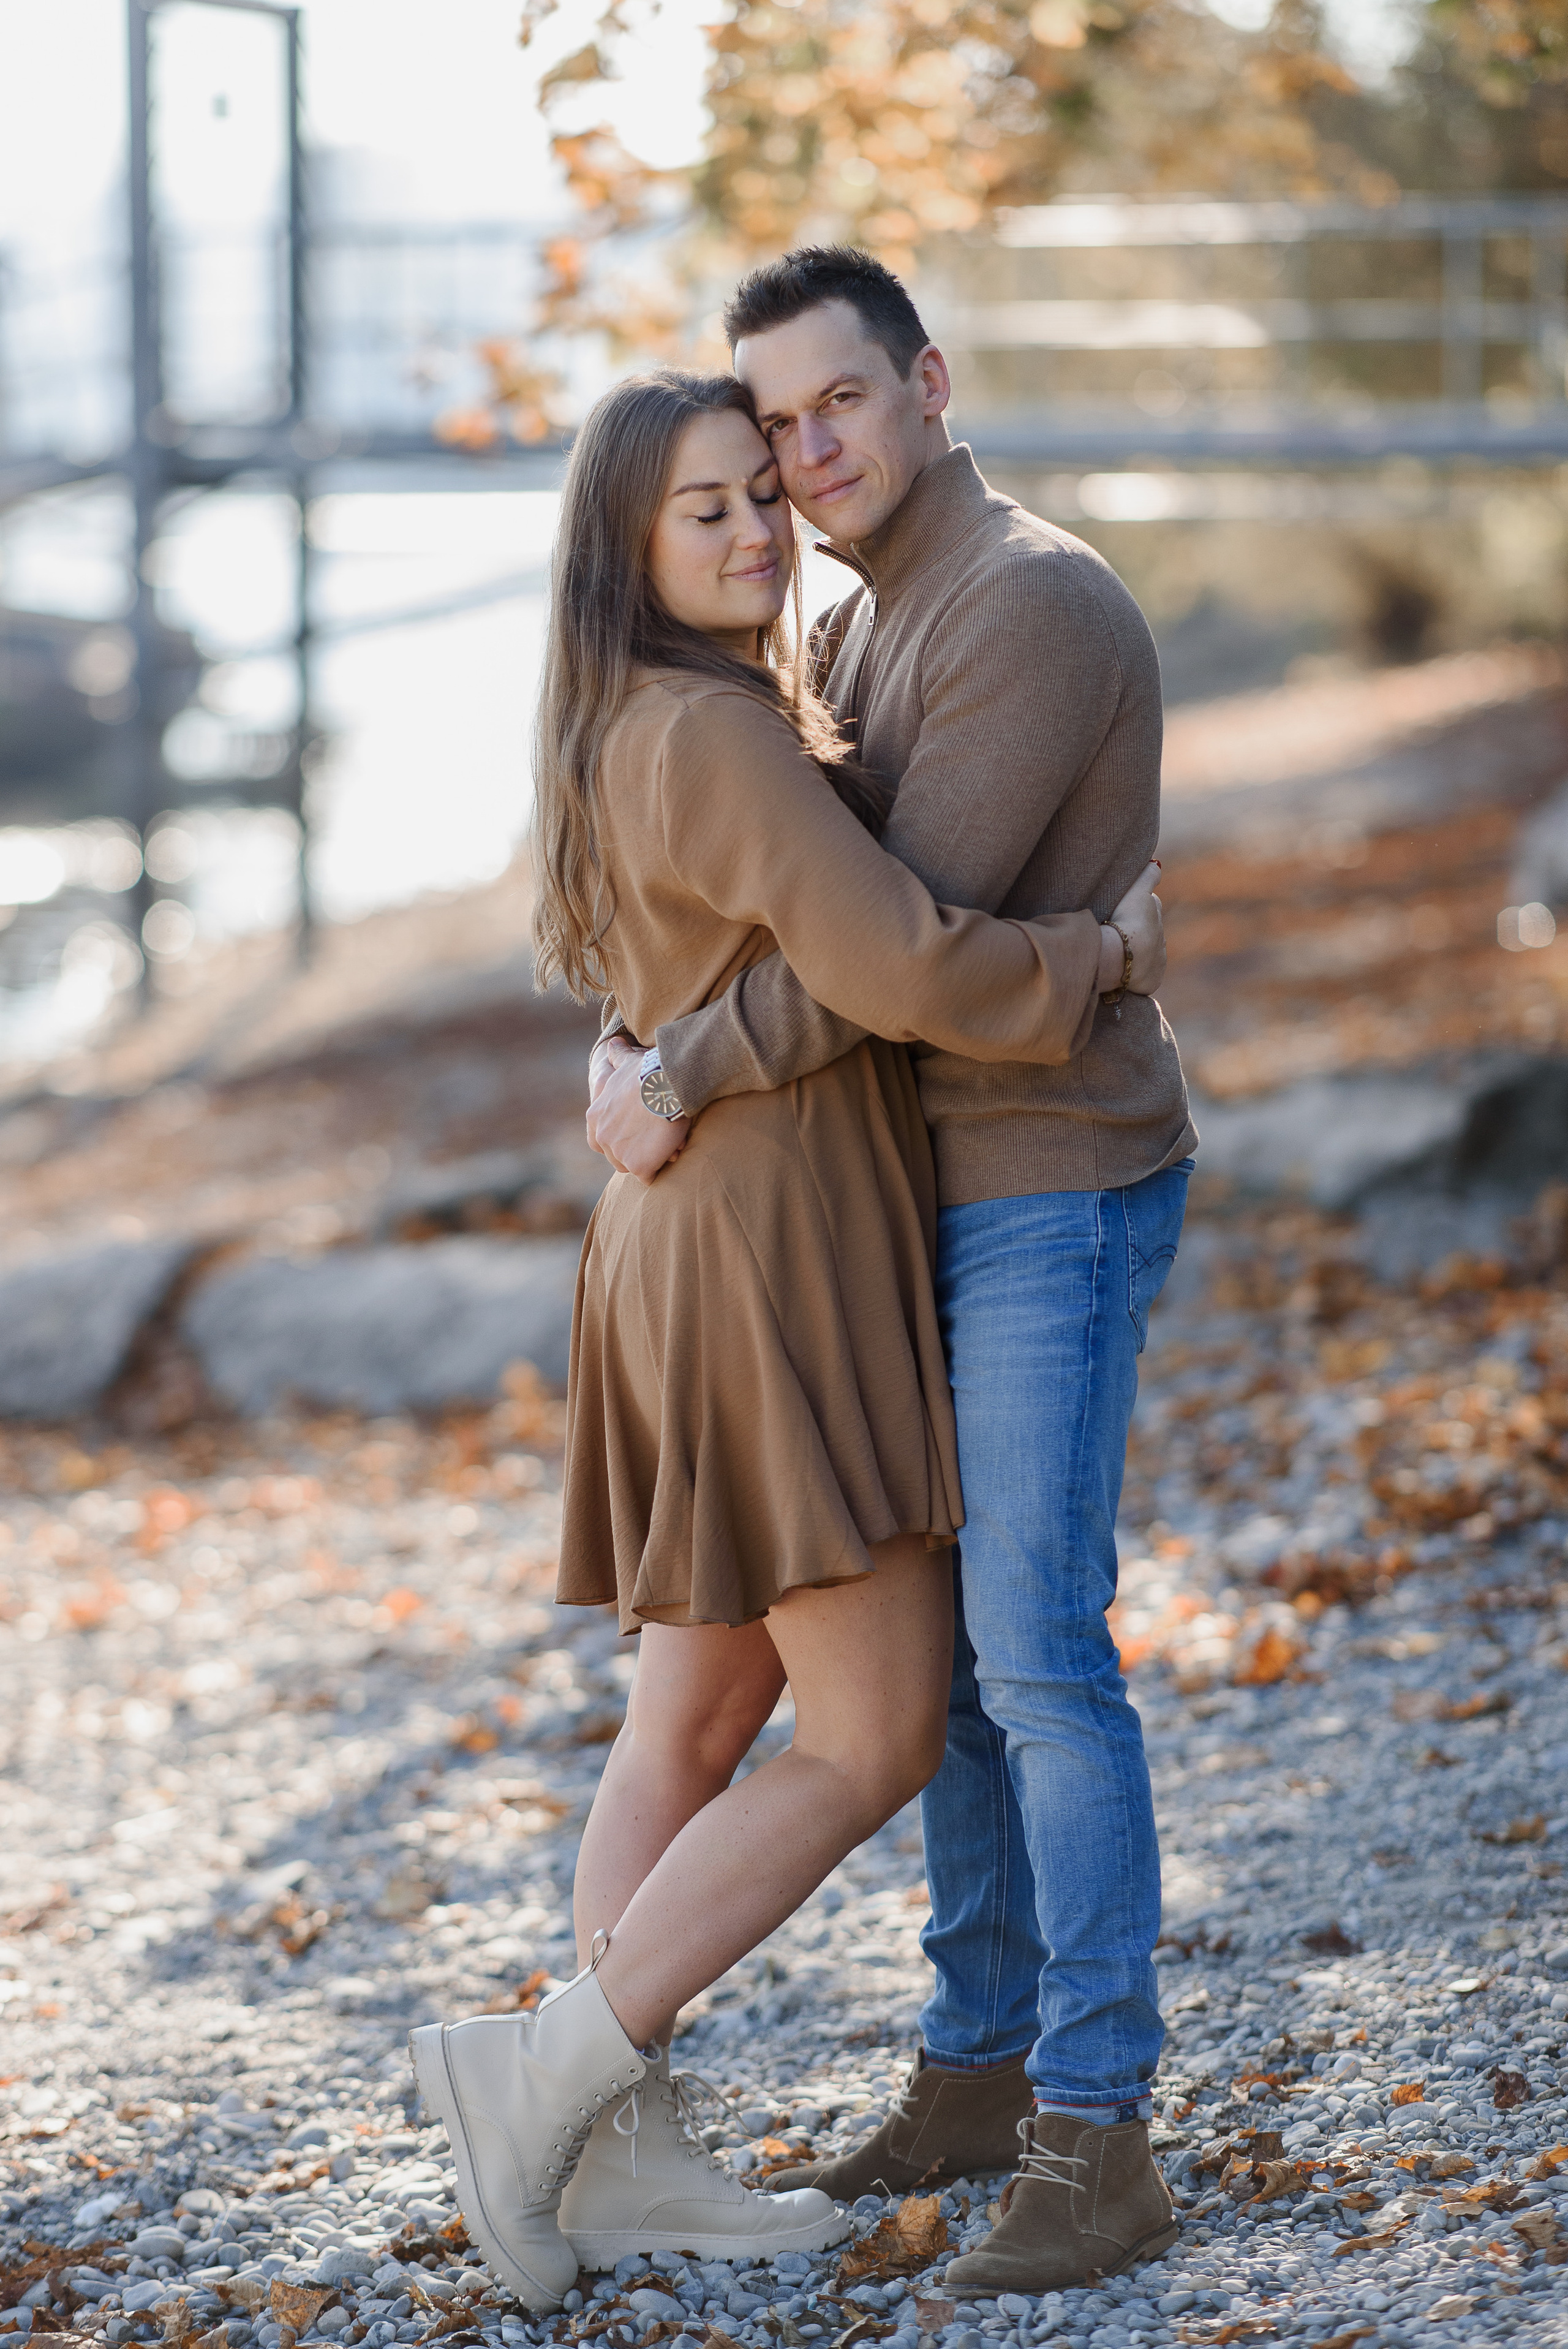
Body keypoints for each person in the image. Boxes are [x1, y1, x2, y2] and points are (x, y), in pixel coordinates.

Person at [410, 366, 1167, 2312]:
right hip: (764, 1246)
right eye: (708, 511)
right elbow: (904, 963)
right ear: (627, 550)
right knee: (874, 1727)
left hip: (691, 1230)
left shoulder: (632, 725)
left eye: (766, 494)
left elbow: (698, 975)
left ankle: (619, 2147)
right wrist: (1102, 954)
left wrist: (654, 1060)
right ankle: (545, 2072)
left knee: (691, 1715)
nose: (759, 530)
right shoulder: (717, 737)